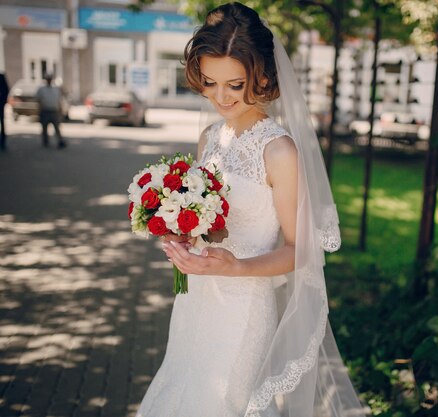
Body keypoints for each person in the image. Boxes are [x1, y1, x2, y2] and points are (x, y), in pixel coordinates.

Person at [136, 3, 367, 417]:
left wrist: (235, 267)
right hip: (195, 304)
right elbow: (209, 216)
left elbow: (302, 250)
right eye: (210, 82)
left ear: (261, 76)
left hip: (242, 312)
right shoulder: (210, 137)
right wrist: (181, 231)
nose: (220, 97)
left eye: (235, 84)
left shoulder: (278, 151)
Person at [36, 74, 66, 149]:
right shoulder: (42, 89)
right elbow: (39, 101)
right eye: (48, 79)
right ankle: (45, 142)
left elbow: (59, 100)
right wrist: (39, 111)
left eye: (50, 79)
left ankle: (60, 141)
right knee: (44, 128)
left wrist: (60, 110)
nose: (49, 81)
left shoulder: (55, 89)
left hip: (54, 110)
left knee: (57, 127)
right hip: (45, 110)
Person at [0, 73, 8, 151]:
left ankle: (2, 142)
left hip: (0, 105)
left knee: (2, 123)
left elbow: (6, 91)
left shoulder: (1, 77)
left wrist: (3, 102)